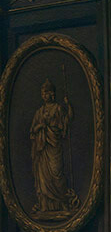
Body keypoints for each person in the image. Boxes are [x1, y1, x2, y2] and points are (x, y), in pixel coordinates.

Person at [30, 78, 79, 218]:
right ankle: (45, 206)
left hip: (54, 145)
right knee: (43, 176)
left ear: (53, 93)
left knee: (57, 172)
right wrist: (40, 127)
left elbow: (66, 122)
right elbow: (32, 131)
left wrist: (68, 107)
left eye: (48, 92)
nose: (46, 95)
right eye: (43, 93)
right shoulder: (39, 112)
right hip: (42, 147)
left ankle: (62, 203)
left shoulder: (58, 108)